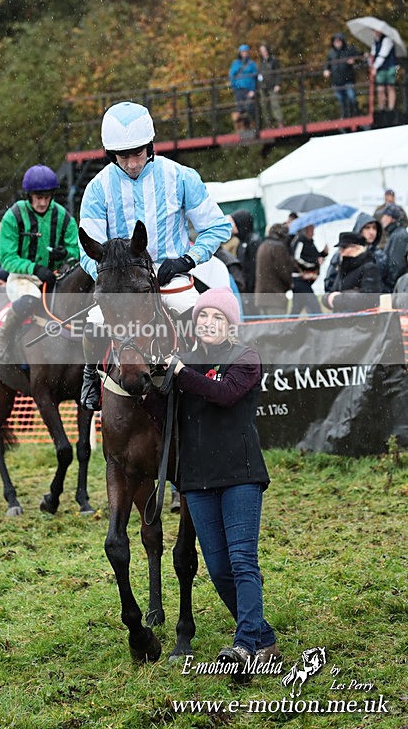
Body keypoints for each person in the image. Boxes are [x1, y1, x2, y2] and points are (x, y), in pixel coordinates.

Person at [78, 101, 231, 409]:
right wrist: (112, 281)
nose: (132, 163)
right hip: (123, 281)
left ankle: (213, 380)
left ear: (150, 146)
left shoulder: (182, 176)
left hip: (170, 272)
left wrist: (187, 260)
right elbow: (86, 249)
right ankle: (90, 379)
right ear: (112, 155)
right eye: (124, 156)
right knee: (93, 323)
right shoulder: (97, 188)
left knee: (197, 316)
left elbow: (217, 227)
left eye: (138, 153)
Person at [159, 287, 279, 679]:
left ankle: (244, 645)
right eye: (203, 317)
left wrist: (180, 373)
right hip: (196, 480)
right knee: (219, 567)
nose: (208, 323)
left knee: (243, 560)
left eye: (217, 318)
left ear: (230, 324)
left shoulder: (244, 358)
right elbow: (161, 409)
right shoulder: (184, 363)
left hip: (240, 475)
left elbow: (224, 394)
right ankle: (263, 641)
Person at [0, 164, 79, 361]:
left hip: (56, 276)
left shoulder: (64, 217)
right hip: (23, 278)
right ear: (29, 196)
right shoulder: (13, 217)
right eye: (38, 197)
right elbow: (7, 258)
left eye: (47, 197)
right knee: (30, 300)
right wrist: (34, 268)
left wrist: (65, 253)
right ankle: (3, 337)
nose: (42, 202)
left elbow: (76, 249)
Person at [324, 212, 388, 293]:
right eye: (367, 228)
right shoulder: (343, 253)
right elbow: (330, 280)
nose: (372, 232)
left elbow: (384, 282)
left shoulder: (380, 255)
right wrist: (333, 297)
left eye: (374, 228)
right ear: (359, 229)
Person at [322, 232, 382, 312]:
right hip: (341, 319)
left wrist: (337, 299)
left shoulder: (369, 268)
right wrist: (327, 298)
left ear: (357, 248)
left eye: (344, 247)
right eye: (340, 248)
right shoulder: (343, 267)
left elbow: (369, 299)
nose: (340, 251)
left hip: (360, 321)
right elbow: (333, 290)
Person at [254, 223, 293, 315]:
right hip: (275, 296)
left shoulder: (263, 245)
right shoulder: (278, 247)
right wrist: (290, 284)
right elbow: (284, 271)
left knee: (266, 328)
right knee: (277, 328)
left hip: (262, 296)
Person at [290, 225, 328, 315]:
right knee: (314, 306)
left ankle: (289, 325)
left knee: (297, 307)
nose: (314, 232)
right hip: (299, 278)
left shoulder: (310, 242)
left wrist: (323, 254)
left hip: (307, 279)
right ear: (306, 230)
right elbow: (297, 258)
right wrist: (315, 262)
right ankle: (320, 324)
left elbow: (313, 256)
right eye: (312, 230)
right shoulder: (300, 241)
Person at [230, 209, 262, 315]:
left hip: (252, 293)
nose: (232, 226)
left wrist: (249, 291)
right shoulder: (242, 242)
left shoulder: (253, 242)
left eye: (234, 223)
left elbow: (254, 270)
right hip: (246, 291)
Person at [323, 32, 359, 119]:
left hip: (348, 79)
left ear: (342, 41)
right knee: (341, 100)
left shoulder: (349, 50)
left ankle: (354, 115)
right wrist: (326, 70)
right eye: (335, 41)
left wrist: (354, 60)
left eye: (339, 41)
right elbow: (326, 64)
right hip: (336, 81)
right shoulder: (330, 53)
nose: (337, 43)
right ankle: (344, 117)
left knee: (352, 98)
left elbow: (359, 56)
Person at [378, 204, 408, 291]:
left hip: (395, 287)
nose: (382, 219)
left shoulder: (399, 236)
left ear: (391, 218)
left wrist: (388, 284)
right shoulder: (395, 234)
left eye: (385, 216)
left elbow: (397, 265)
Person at [228, 44, 258, 128]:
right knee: (240, 109)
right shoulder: (236, 63)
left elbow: (255, 77)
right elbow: (231, 75)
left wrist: (253, 90)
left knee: (250, 108)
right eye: (243, 52)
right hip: (238, 89)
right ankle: (243, 127)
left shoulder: (251, 64)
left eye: (246, 52)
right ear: (240, 53)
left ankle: (253, 127)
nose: (244, 53)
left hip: (248, 89)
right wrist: (234, 86)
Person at [369, 29, 397, 111]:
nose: (374, 33)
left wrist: (374, 67)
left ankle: (391, 108)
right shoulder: (375, 42)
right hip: (380, 68)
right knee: (380, 88)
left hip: (389, 67)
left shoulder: (387, 40)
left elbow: (382, 55)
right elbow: (373, 54)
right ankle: (382, 107)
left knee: (390, 87)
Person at [257, 43, 283, 127]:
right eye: (262, 51)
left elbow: (278, 73)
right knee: (264, 106)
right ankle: (268, 124)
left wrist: (277, 84)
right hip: (263, 86)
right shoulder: (260, 62)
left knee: (275, 104)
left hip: (272, 85)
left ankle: (279, 122)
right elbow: (259, 74)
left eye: (264, 50)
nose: (263, 52)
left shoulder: (273, 60)